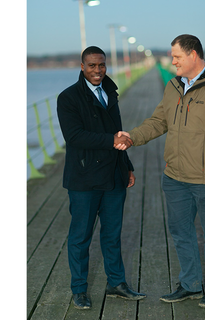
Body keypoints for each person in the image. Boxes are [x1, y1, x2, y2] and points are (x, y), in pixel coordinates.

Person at [116, 34, 205, 308]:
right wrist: (132, 137)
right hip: (174, 177)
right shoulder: (173, 86)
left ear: (193, 55)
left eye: (177, 57)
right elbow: (159, 120)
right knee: (181, 233)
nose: (172, 61)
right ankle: (190, 285)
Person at [57, 46, 146, 310]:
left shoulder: (111, 92)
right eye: (92, 66)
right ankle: (79, 290)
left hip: (114, 176)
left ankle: (117, 283)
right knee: (80, 237)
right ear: (82, 67)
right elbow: (74, 136)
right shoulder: (68, 98)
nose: (98, 71)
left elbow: (116, 131)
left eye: (102, 65)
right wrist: (112, 140)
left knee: (112, 234)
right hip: (84, 179)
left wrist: (127, 166)